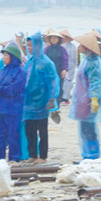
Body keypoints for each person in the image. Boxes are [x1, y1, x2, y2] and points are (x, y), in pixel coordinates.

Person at [68, 33, 101, 160]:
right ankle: (86, 154)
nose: (79, 47)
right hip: (82, 100)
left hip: (88, 101)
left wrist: (94, 98)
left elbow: (95, 82)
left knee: (89, 129)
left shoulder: (93, 63)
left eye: (81, 45)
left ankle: (92, 155)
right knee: (84, 128)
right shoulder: (86, 60)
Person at [22, 32, 60, 164]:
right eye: (28, 46)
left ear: (38, 45)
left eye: (32, 45)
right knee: (29, 130)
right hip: (29, 101)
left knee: (42, 131)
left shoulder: (46, 63)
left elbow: (53, 81)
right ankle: (32, 154)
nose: (30, 48)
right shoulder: (30, 62)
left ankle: (42, 156)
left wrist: (52, 98)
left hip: (42, 101)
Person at [0, 41, 26, 162]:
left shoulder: (21, 72)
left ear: (12, 57)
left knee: (13, 134)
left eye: (5, 55)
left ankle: (14, 157)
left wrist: (0, 90)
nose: (3, 58)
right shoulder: (3, 70)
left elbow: (15, 88)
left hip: (13, 108)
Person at [43, 29, 69, 123]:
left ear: (59, 39)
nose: (54, 39)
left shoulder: (62, 49)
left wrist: (65, 69)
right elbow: (44, 60)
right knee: (49, 88)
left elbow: (65, 60)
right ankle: (50, 106)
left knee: (59, 88)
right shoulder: (46, 49)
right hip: (49, 73)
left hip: (58, 71)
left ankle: (57, 106)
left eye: (55, 38)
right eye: (52, 38)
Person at [59, 29, 78, 103]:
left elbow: (75, 57)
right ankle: (64, 97)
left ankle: (64, 97)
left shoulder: (71, 46)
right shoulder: (70, 46)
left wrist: (76, 65)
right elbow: (75, 58)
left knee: (67, 82)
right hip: (66, 65)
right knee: (66, 81)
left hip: (69, 65)